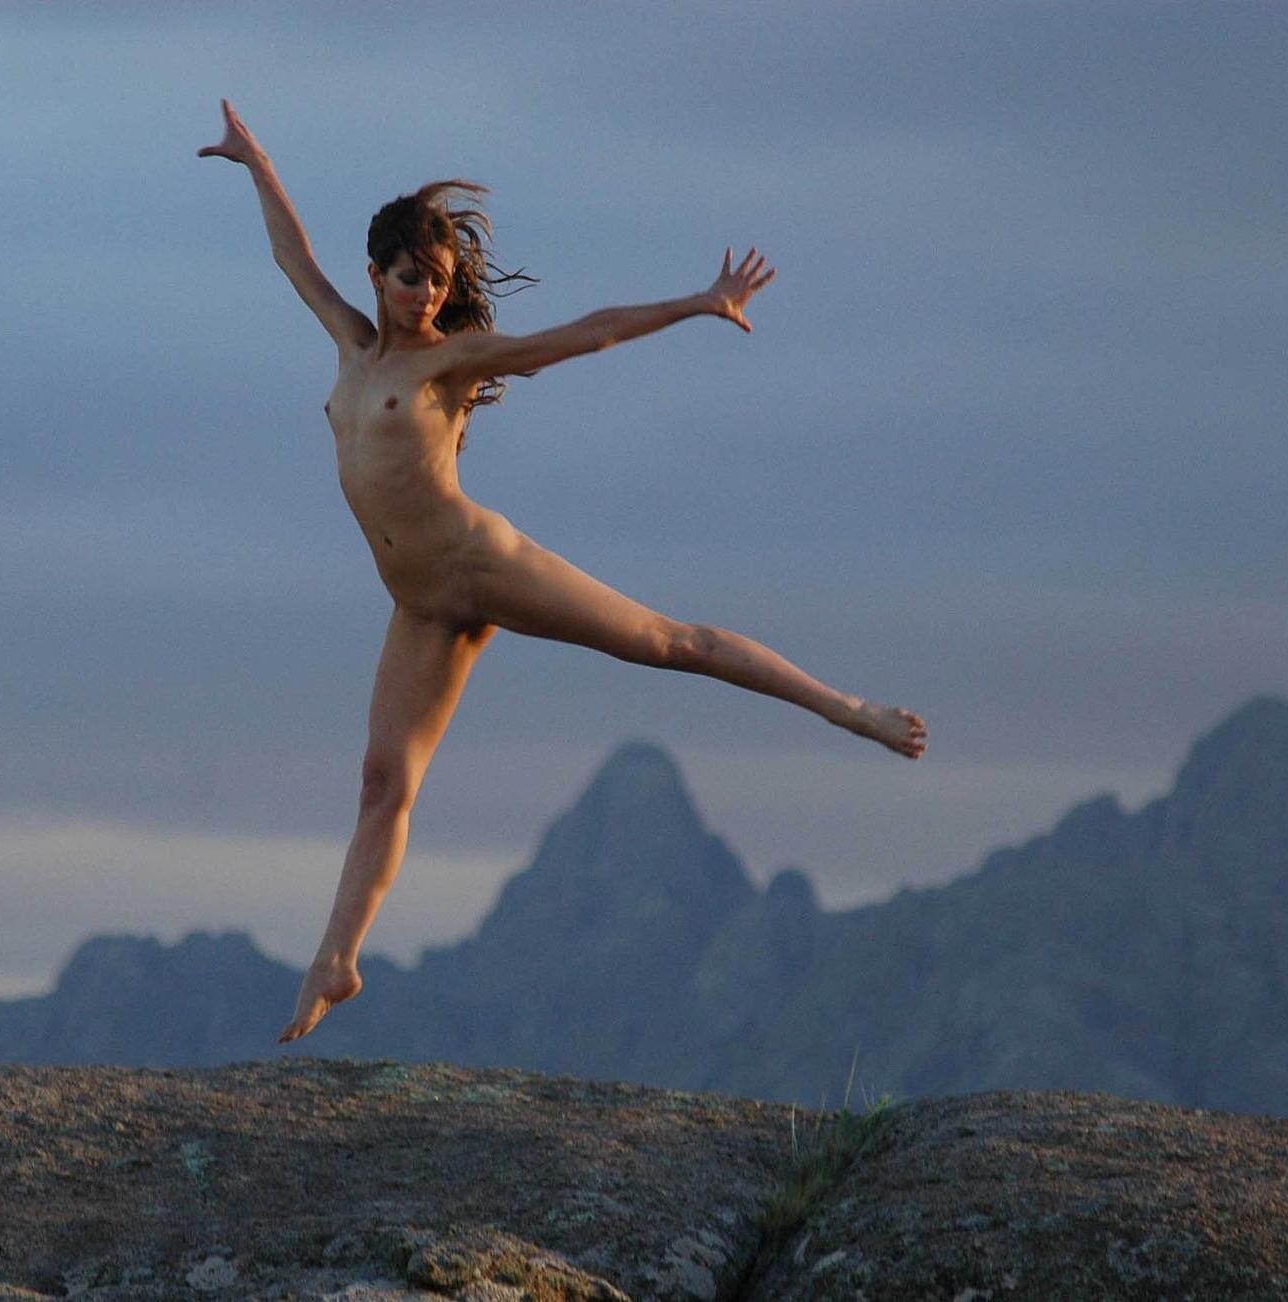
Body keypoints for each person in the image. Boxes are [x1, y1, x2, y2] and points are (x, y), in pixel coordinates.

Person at [198, 100, 928, 1044]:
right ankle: (337, 961)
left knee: (669, 642)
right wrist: (257, 162)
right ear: (375, 276)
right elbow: (292, 257)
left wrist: (698, 302)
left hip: (480, 566)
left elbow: (589, 333)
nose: (425, 296)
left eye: (438, 281)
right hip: (419, 606)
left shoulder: (452, 362)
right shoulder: (351, 342)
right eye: (411, 279)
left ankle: (851, 710)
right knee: (384, 784)